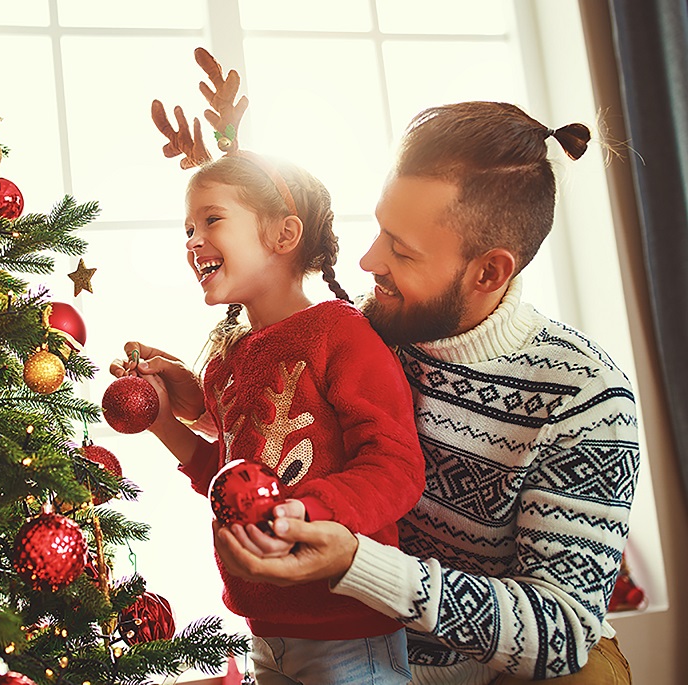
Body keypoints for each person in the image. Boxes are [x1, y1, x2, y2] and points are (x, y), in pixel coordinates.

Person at [207, 101, 638, 684]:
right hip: (333, 645)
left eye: (401, 250)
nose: (367, 260)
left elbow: (560, 629)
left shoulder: (584, 396)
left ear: (489, 272)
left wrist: (361, 566)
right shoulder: (360, 333)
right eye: (380, 228)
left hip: (474, 666)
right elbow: (284, 433)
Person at [111, 149, 426, 684]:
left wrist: (302, 514)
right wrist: (163, 419)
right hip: (267, 632)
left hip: (350, 636)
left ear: (284, 235)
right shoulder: (227, 363)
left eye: (212, 219)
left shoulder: (339, 335)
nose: (192, 240)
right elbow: (226, 475)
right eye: (188, 227)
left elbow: (396, 467)